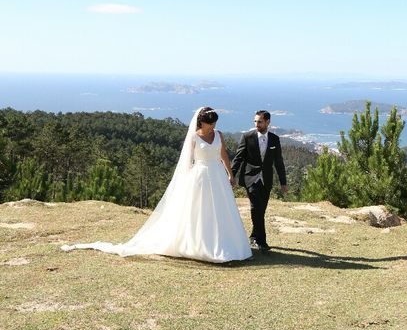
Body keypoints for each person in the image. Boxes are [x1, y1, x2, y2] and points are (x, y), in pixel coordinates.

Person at [61, 107, 252, 263]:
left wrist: (230, 173)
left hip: (217, 175)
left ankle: (226, 243)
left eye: (215, 123)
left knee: (221, 210)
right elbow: (186, 163)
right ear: (201, 122)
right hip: (200, 176)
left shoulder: (218, 134)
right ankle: (199, 244)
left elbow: (223, 154)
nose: (213, 126)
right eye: (210, 123)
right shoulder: (194, 138)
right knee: (200, 211)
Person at [231, 110, 287, 251]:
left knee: (261, 210)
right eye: (255, 121)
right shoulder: (247, 137)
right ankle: (262, 242)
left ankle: (253, 236)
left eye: (260, 121)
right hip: (250, 178)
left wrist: (283, 182)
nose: (257, 124)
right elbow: (238, 158)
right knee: (256, 208)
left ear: (268, 122)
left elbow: (278, 162)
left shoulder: (274, 139)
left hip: (266, 179)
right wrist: (231, 176)